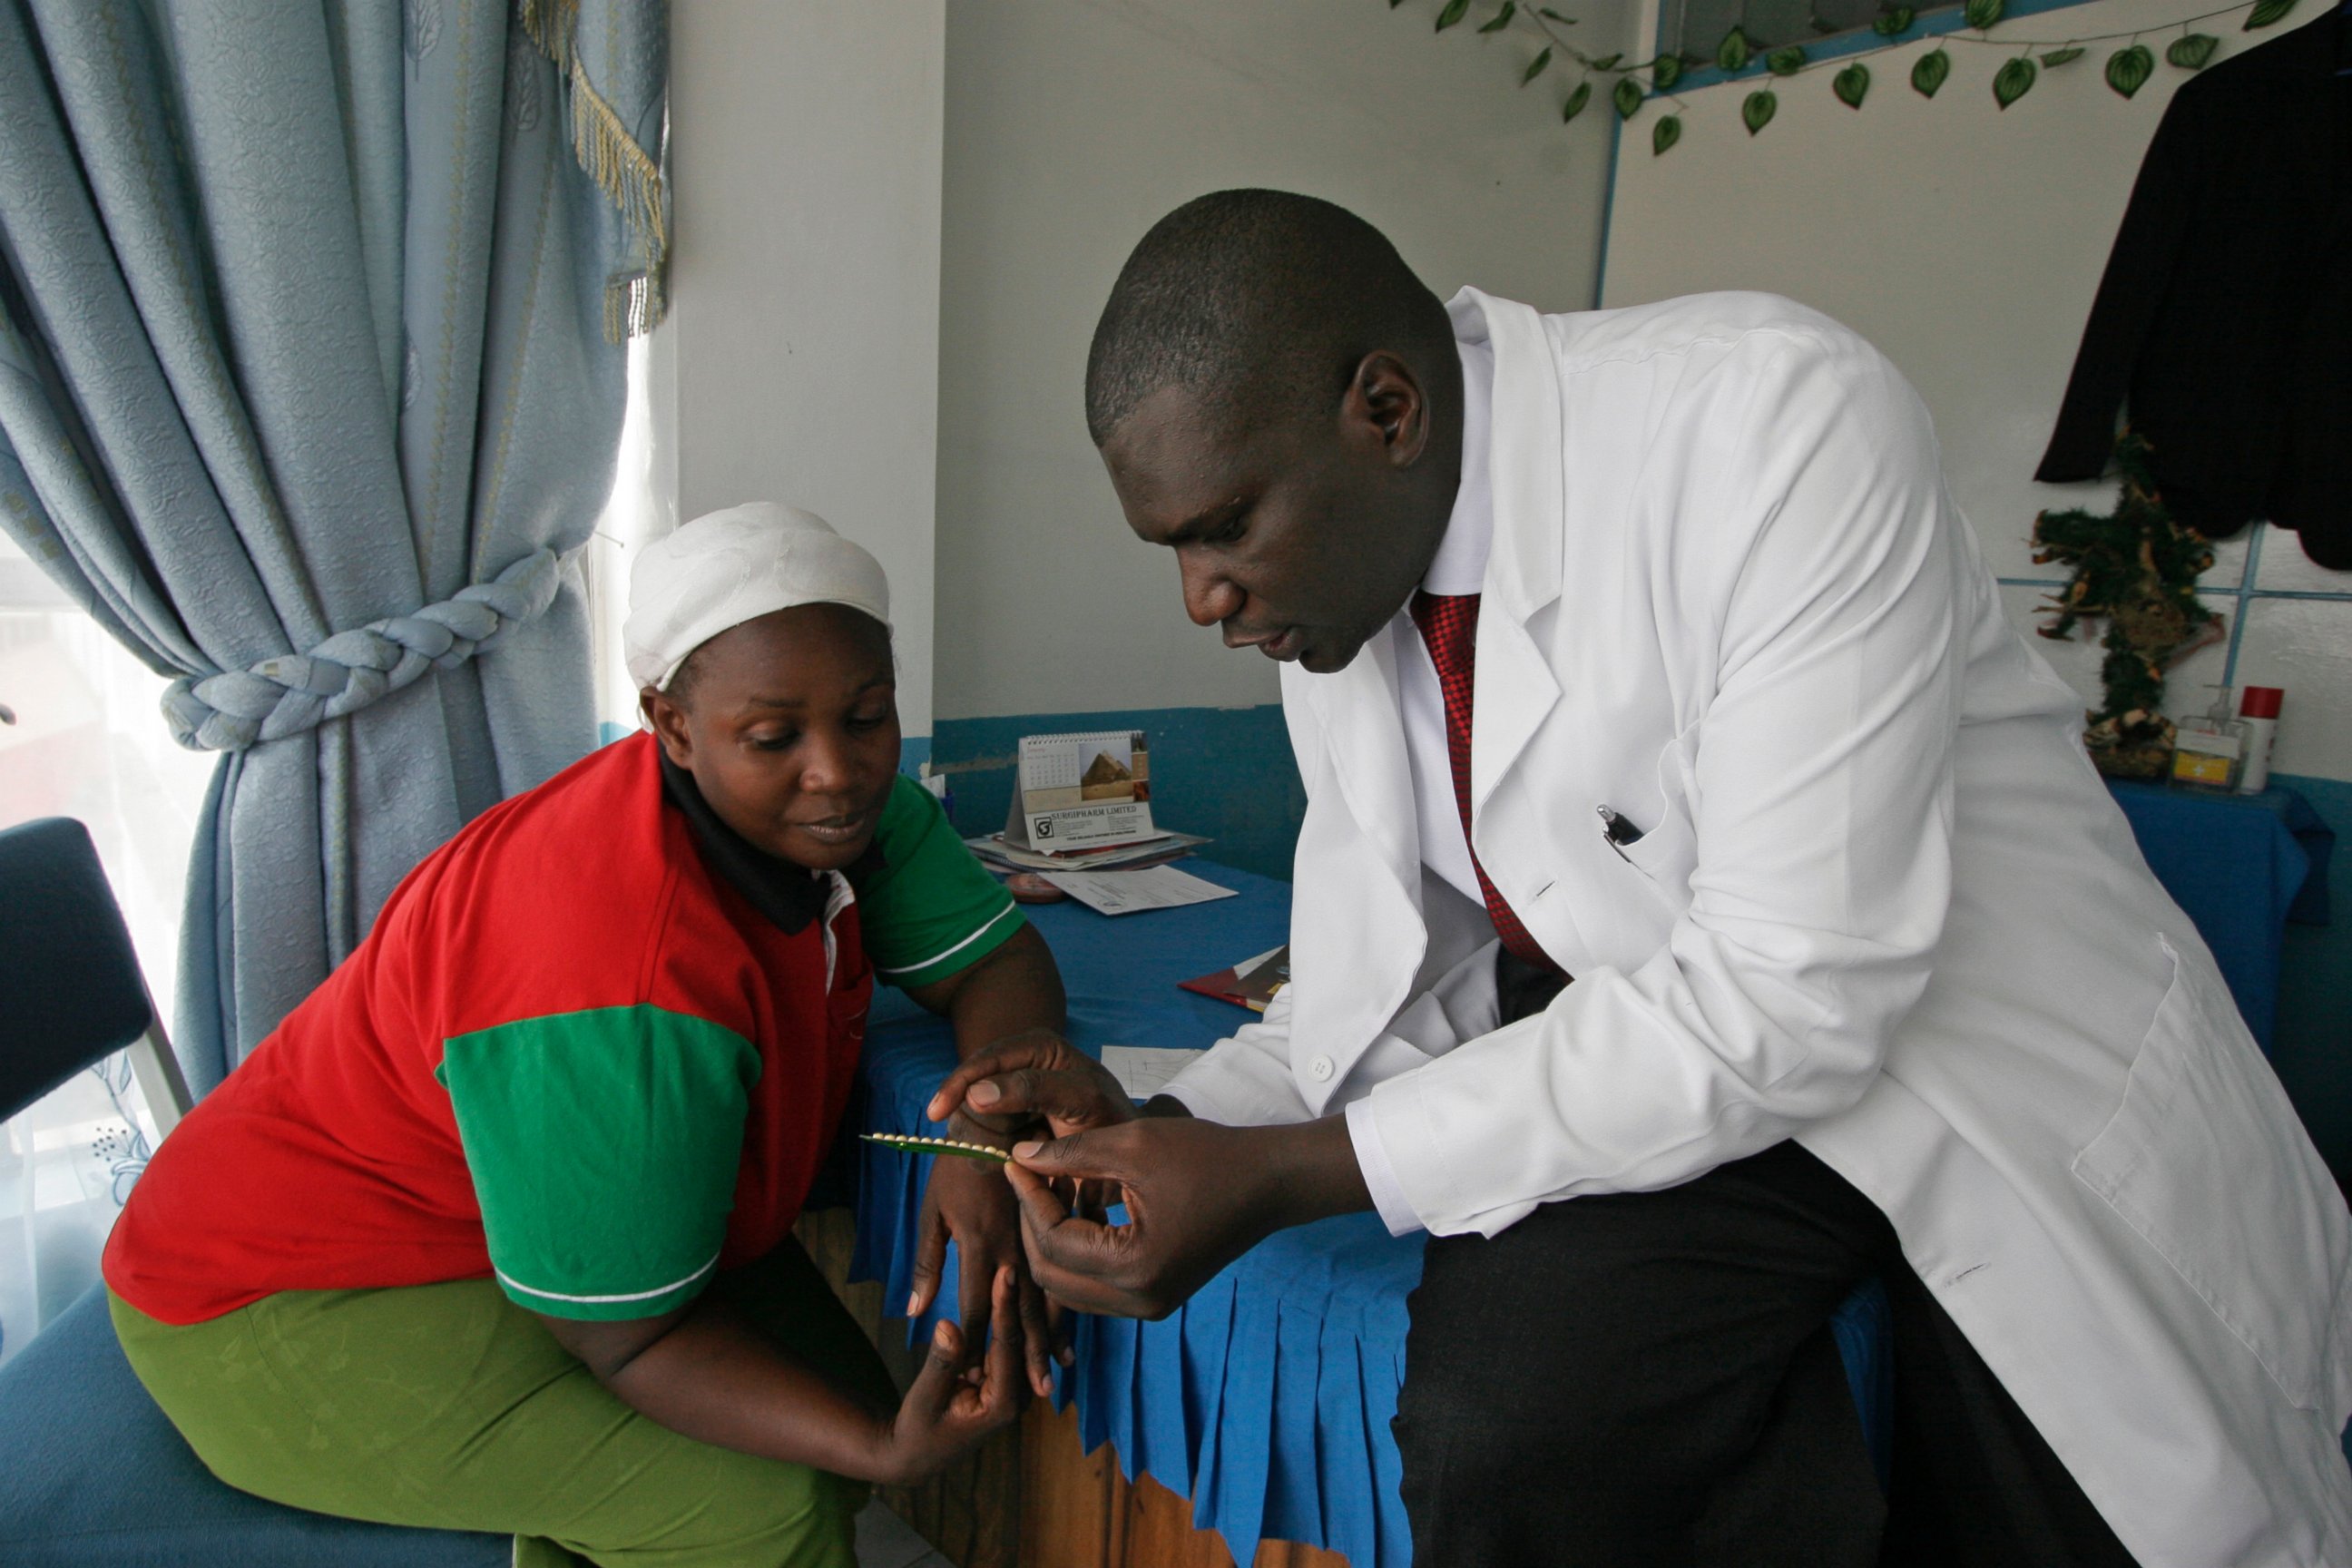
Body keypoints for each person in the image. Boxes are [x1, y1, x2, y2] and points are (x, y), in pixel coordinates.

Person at [930, 191, 2352, 1566]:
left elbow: (1798, 988)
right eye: (1174, 546)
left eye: (1225, 525)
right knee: (1514, 1423)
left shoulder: (1770, 426)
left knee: (2062, 1509)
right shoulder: (1340, 600)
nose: (1203, 597)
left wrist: (1288, 1174)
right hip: (1700, 1072)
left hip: (1970, 1073)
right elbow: (1384, 983)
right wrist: (1161, 1125)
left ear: (1386, 409)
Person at [105, 503, 1063, 1568]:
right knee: (764, 1509)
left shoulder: (839, 812)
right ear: (673, 726)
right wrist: (883, 1450)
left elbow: (997, 964)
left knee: (828, 1414)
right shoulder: (617, 978)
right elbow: (630, 1337)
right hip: (281, 1299)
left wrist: (981, 1127)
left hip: (489, 1228)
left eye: (868, 715)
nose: (836, 769)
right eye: (775, 736)